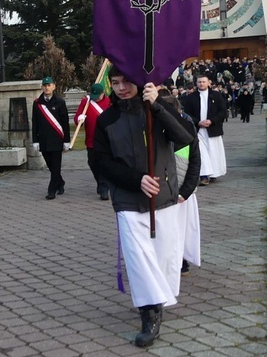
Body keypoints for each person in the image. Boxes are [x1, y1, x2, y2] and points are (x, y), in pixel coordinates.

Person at [93, 66, 194, 348]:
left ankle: (157, 303)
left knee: (163, 257)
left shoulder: (157, 110)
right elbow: (101, 161)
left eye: (126, 81)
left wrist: (158, 105)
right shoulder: (107, 120)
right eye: (115, 83)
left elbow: (186, 138)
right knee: (138, 260)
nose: (121, 87)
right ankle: (148, 316)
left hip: (163, 199)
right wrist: (136, 180)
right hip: (128, 200)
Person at [163, 96, 202, 276]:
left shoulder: (188, 132)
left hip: (183, 194)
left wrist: (185, 192)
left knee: (183, 228)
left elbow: (195, 164)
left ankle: (182, 260)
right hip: (162, 194)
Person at [181, 73, 227, 185]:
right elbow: (187, 113)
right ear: (196, 83)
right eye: (199, 82)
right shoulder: (191, 98)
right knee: (201, 152)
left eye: (203, 82)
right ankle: (204, 176)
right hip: (198, 129)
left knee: (213, 152)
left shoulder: (216, 96)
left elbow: (223, 111)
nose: (201, 84)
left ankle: (213, 173)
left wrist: (211, 121)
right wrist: (198, 122)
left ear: (208, 82)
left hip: (213, 129)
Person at [32, 76, 71, 199]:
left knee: (56, 166)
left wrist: (66, 140)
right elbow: (35, 122)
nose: (47, 87)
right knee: (51, 166)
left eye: (49, 85)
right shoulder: (37, 103)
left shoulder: (60, 102)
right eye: (45, 85)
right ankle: (60, 182)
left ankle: (51, 191)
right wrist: (35, 140)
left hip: (57, 140)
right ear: (42, 87)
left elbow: (65, 122)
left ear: (54, 86)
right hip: (43, 140)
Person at [74, 83, 112, 200]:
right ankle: (101, 183)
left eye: (98, 96)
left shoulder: (110, 102)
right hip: (91, 139)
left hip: (106, 140)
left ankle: (104, 188)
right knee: (93, 163)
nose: (96, 98)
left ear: (103, 93)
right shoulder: (86, 102)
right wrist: (79, 118)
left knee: (104, 164)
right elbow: (77, 118)